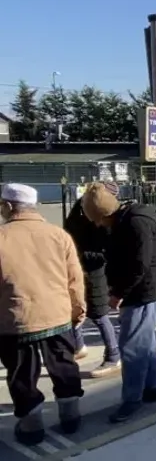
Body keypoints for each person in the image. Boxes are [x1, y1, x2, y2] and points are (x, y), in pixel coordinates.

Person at [0, 183, 86, 445]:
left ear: (8, 206)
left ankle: (32, 425)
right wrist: (77, 310)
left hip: (15, 320)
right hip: (58, 316)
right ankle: (70, 417)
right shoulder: (58, 235)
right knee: (64, 366)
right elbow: (75, 278)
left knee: (22, 374)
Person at [81, 182, 156, 423]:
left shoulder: (135, 223)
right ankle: (153, 389)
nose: (98, 225)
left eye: (98, 219)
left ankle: (132, 399)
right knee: (145, 344)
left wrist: (118, 293)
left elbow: (138, 265)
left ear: (106, 214)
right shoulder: (128, 219)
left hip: (143, 293)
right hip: (146, 291)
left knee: (131, 348)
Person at [64, 186, 121, 378]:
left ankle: (113, 355)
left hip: (95, 272)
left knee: (99, 315)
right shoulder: (79, 211)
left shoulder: (106, 218)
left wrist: (81, 255)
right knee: (73, 310)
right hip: (75, 268)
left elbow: (105, 252)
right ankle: (78, 346)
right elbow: (69, 232)